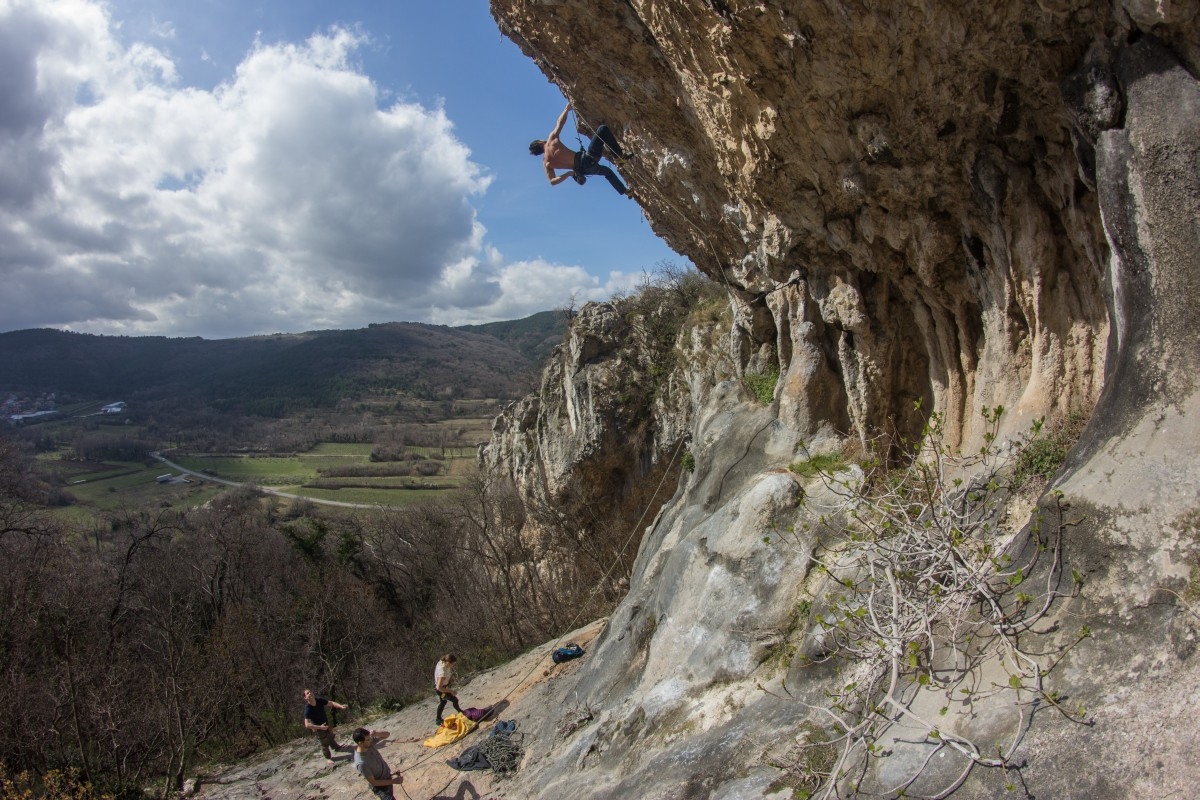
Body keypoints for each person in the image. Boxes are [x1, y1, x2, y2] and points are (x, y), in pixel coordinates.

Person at [530, 103, 629, 196]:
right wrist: (566, 109)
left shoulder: (547, 163)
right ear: (539, 142)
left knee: (607, 172)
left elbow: (552, 181)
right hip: (586, 159)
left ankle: (625, 191)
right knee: (602, 129)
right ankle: (618, 157)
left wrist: (569, 173)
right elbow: (559, 123)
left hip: (584, 171)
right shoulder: (550, 141)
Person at [352, 728, 403, 799]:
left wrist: (376, 733)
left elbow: (387, 734)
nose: (370, 740)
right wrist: (393, 781)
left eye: (370, 738)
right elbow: (374, 782)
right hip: (381, 788)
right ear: (360, 743)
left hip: (387, 779)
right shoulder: (362, 763)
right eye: (368, 739)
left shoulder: (368, 744)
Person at [302, 688, 349, 763]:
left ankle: (336, 747)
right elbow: (307, 724)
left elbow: (331, 703)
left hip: (325, 723)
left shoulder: (319, 700)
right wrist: (320, 727)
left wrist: (340, 706)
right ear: (305, 697)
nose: (310, 694)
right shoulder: (308, 709)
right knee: (324, 743)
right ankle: (328, 758)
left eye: (310, 692)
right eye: (307, 693)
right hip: (318, 728)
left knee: (330, 736)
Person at [434, 653, 464, 726]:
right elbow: (439, 687)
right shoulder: (442, 672)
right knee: (454, 700)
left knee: (443, 702)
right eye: (452, 664)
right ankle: (460, 712)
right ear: (448, 662)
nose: (453, 666)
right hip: (441, 690)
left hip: (444, 686)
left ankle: (438, 719)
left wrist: (450, 679)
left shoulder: (442, 661)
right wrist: (451, 691)